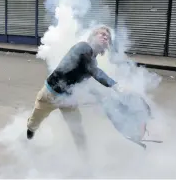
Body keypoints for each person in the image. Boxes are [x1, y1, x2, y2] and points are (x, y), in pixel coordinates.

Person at [26, 25, 125, 153]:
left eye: (107, 37)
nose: (105, 37)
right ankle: (29, 135)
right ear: (93, 37)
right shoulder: (83, 47)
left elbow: (86, 81)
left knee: (78, 132)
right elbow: (95, 72)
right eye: (101, 34)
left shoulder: (92, 60)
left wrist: (103, 97)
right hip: (50, 94)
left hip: (68, 99)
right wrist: (114, 84)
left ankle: (84, 162)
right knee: (34, 123)